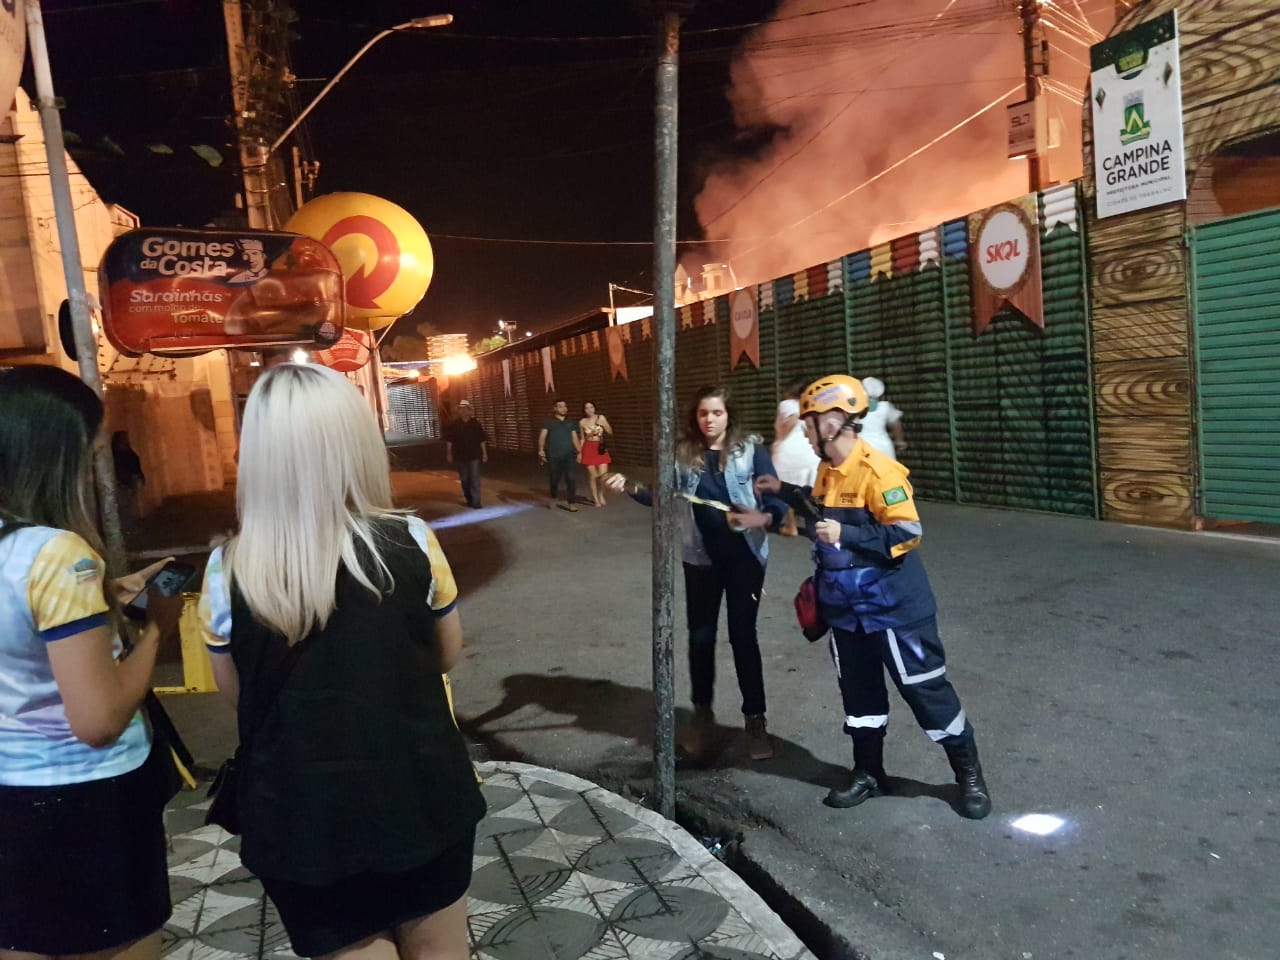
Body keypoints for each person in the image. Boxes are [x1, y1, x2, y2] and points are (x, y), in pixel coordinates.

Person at [198, 363, 485, 960]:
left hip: (305, 825)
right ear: (354, 444)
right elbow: (444, 656)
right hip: (422, 800)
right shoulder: (409, 541)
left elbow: (239, 694)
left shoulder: (228, 570)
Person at [756, 375, 991, 819]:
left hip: (895, 611)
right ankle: (868, 772)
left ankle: (970, 777)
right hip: (848, 612)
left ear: (831, 422)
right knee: (860, 698)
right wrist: (784, 490)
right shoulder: (828, 471)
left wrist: (848, 533)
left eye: (808, 424)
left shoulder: (879, 471)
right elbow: (820, 509)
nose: (804, 432)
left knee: (926, 692)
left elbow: (907, 532)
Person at [0, 365, 175, 959]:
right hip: (85, 803)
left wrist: (103, 604)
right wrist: (156, 629)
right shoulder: (57, 555)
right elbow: (98, 721)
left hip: (11, 792)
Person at [606, 385, 787, 762]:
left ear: (728, 415)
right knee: (700, 638)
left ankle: (755, 720)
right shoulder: (683, 454)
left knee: (743, 637)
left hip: (745, 558)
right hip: (699, 559)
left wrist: (763, 514)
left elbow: (773, 495)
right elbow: (661, 494)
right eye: (703, 413)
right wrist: (630, 487)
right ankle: (702, 717)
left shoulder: (750, 451)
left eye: (716, 413)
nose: (709, 420)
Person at [771, 379, 821, 536]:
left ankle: (791, 526)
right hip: (809, 451)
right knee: (812, 489)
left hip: (789, 451)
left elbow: (790, 421)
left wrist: (780, 438)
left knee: (789, 489)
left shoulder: (787, 404)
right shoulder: (812, 406)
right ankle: (815, 523)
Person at [538, 398, 582, 512]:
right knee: (554, 479)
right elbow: (542, 436)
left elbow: (574, 438)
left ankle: (571, 502)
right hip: (554, 456)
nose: (563, 408)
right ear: (555, 408)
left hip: (569, 456)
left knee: (571, 478)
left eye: (565, 406)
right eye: (560, 406)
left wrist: (580, 452)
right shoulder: (548, 422)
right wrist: (541, 450)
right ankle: (553, 497)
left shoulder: (570, 423)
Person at [444, 399, 488, 508]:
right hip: (460, 456)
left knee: (474, 478)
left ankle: (476, 501)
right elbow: (450, 440)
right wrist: (449, 453)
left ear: (469, 411)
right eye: (461, 409)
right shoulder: (454, 425)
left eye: (465, 409)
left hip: (474, 455)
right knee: (464, 479)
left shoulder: (476, 424)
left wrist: (484, 453)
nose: (463, 412)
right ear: (459, 411)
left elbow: (481, 439)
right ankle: (469, 497)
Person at [858, 376, 906, 460]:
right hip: (884, 447)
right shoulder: (885, 407)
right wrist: (899, 441)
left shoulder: (854, 408)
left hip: (861, 448)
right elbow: (896, 423)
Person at [578, 400, 614, 507]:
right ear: (584, 410)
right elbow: (582, 439)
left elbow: (610, 432)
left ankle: (601, 494)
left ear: (595, 408)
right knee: (593, 476)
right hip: (588, 448)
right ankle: (595, 499)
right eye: (586, 408)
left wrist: (604, 425)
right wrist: (580, 453)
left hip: (600, 448)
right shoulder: (582, 422)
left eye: (591, 407)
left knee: (603, 476)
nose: (589, 410)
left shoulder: (600, 418)